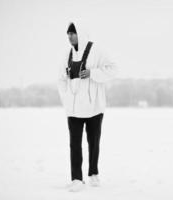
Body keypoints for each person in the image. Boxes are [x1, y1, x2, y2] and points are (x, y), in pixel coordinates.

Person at [57, 21, 118, 192]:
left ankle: (93, 174)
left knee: (94, 142)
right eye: (68, 34)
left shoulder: (97, 51)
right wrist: (66, 99)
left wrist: (93, 73)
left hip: (94, 108)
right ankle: (77, 179)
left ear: (81, 34)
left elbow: (113, 69)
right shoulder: (67, 55)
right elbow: (60, 80)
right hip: (74, 109)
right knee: (74, 144)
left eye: (73, 33)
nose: (70, 37)